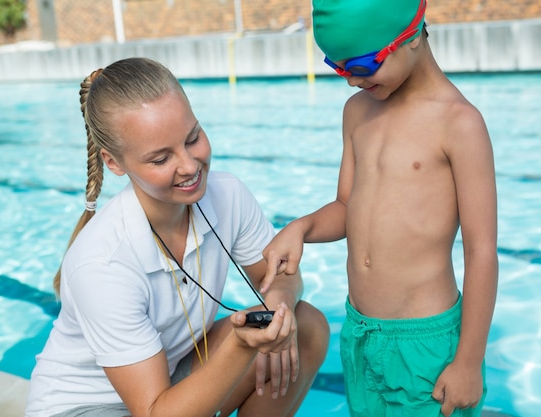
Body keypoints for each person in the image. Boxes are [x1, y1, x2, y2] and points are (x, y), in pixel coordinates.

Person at [26, 57, 329, 417]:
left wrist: (279, 303)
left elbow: (280, 273)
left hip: (170, 378)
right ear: (114, 163)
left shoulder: (227, 194)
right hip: (90, 408)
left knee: (306, 326)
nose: (189, 166)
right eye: (160, 159)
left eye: (193, 138)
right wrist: (242, 347)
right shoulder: (101, 262)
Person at [261, 0, 498, 416]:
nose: (351, 81)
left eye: (363, 67)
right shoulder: (357, 112)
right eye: (339, 69)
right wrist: (301, 227)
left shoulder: (459, 124)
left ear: (408, 37)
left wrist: (467, 362)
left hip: (425, 345)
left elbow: (481, 251)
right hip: (361, 334)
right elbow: (346, 207)